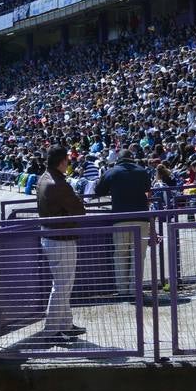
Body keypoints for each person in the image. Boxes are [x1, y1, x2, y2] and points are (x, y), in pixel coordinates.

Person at [36, 144, 86, 342]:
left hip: (49, 236)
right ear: (62, 161)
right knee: (63, 285)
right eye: (68, 160)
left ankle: (65, 325)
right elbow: (79, 210)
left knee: (62, 284)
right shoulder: (59, 184)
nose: (69, 164)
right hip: (61, 239)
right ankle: (52, 331)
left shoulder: (43, 178)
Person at [94, 149, 152, 299]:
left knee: (120, 254)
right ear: (132, 159)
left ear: (118, 160)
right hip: (141, 218)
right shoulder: (142, 171)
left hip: (120, 219)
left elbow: (98, 190)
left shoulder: (111, 172)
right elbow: (147, 188)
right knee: (138, 255)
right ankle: (135, 289)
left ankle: (122, 290)